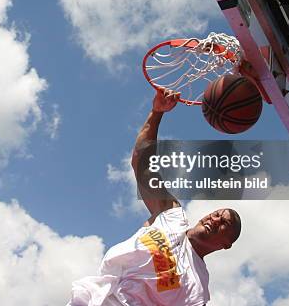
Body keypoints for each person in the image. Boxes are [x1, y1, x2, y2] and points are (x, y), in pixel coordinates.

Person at [67, 88, 241, 306]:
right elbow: (141, 164)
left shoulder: (197, 292)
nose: (215, 219)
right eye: (216, 214)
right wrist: (157, 112)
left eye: (225, 223)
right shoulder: (172, 217)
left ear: (226, 245)